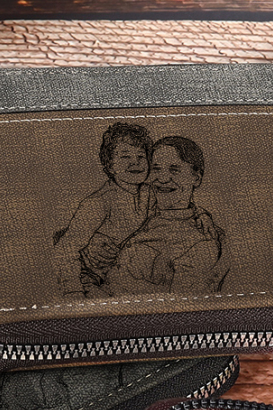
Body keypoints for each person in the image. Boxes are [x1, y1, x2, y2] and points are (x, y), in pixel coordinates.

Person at [107, 135, 229, 296]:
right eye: (156, 169)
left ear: (196, 178)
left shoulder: (202, 242)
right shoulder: (142, 211)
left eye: (174, 170)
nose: (162, 179)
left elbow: (181, 303)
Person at [52, 122, 153, 294]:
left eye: (141, 156)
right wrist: (73, 291)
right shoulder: (98, 202)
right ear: (110, 165)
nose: (135, 162)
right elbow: (65, 249)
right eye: (125, 157)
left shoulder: (150, 193)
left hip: (123, 276)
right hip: (88, 278)